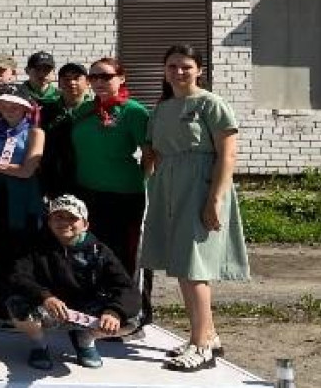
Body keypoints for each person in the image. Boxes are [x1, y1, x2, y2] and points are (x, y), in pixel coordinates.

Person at [140, 44, 248, 372]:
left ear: (199, 70)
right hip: (168, 188)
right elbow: (152, 153)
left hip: (200, 187)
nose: (179, 72)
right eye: (172, 66)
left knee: (194, 267)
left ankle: (201, 347)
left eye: (186, 66)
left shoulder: (211, 104)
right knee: (182, 266)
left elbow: (227, 154)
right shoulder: (162, 108)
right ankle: (206, 335)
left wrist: (215, 199)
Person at [6, 195, 141, 370]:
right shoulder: (33, 246)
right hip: (49, 310)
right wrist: (45, 296)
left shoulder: (100, 251)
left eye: (72, 218)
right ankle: (39, 345)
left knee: (132, 318)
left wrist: (114, 312)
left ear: (85, 224)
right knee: (16, 304)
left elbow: (126, 287)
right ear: (49, 222)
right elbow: (17, 276)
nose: (64, 222)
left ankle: (85, 339)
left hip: (86, 312)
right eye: (58, 217)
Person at [70, 58, 150, 281]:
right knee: (93, 250)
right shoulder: (85, 109)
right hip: (87, 191)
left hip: (123, 194)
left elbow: (150, 154)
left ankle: (132, 300)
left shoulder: (133, 111)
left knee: (125, 253)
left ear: (121, 78)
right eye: (94, 77)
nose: (99, 82)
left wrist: (145, 181)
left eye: (106, 76)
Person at [0, 84, 45, 271]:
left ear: (26, 109)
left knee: (22, 247)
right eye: (5, 106)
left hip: (22, 197)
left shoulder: (35, 133)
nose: (9, 111)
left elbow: (27, 171)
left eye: (15, 107)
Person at [38, 63, 92, 198]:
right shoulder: (46, 111)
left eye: (77, 78)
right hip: (55, 181)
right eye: (66, 79)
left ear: (87, 82)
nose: (71, 82)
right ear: (59, 83)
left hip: (89, 180)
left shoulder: (96, 110)